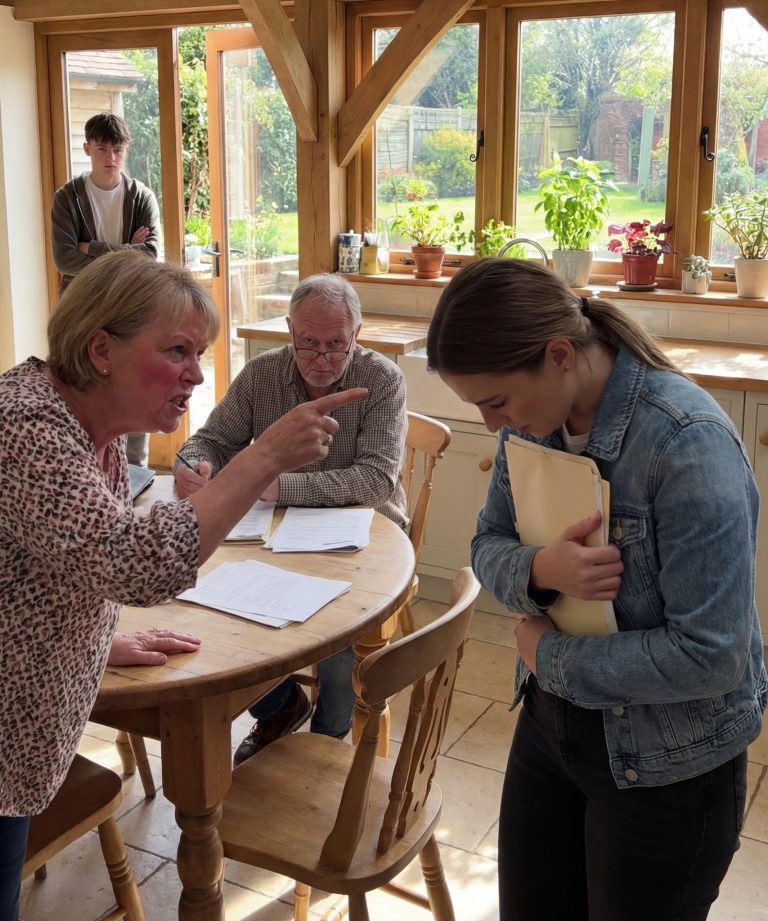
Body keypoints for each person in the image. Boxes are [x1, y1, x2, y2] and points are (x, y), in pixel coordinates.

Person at [0, 251, 365, 921]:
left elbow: (64, 562)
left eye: (200, 354)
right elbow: (136, 562)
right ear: (100, 350)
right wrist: (263, 457)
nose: (197, 373)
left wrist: (94, 640)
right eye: (177, 351)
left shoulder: (94, 428)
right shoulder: (24, 428)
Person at [426, 258, 767, 921]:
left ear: (559, 356)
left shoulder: (686, 444)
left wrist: (548, 656)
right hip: (550, 730)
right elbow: (487, 542)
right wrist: (541, 570)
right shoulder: (532, 422)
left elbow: (711, 657)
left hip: (668, 762)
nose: (493, 426)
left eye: (496, 402)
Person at [174, 272, 407, 764]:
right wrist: (193, 466)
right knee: (219, 607)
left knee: (336, 635)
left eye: (336, 345)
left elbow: (376, 480)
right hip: (272, 533)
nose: (321, 359)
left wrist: (277, 484)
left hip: (362, 535)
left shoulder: (382, 379)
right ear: (289, 330)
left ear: (357, 333)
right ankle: (280, 707)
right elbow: (210, 439)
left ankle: (324, 745)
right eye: (308, 344)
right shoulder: (262, 373)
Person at [51, 111, 160, 466]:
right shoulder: (67, 198)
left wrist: (92, 247)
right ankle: (84, 470)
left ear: (126, 150)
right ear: (87, 149)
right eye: (102, 149)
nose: (111, 158)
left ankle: (135, 471)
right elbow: (64, 259)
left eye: (117, 149)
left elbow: (150, 255)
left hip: (130, 307)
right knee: (80, 387)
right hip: (80, 309)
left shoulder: (141, 197)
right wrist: (127, 251)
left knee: (136, 385)